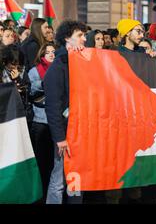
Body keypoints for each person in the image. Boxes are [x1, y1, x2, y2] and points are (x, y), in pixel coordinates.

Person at [45, 20, 87, 204]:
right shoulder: (58, 67)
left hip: (81, 131)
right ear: (67, 39)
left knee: (78, 178)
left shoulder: (84, 62)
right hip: (65, 133)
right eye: (80, 35)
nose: (85, 39)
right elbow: (53, 107)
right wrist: (60, 138)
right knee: (59, 180)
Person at [28, 43, 56, 201]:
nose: (51, 54)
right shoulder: (35, 71)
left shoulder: (60, 69)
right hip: (40, 121)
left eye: (53, 51)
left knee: (53, 162)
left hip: (55, 121)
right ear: (42, 55)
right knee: (41, 161)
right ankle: (39, 194)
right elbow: (33, 92)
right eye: (48, 52)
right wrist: (48, 83)